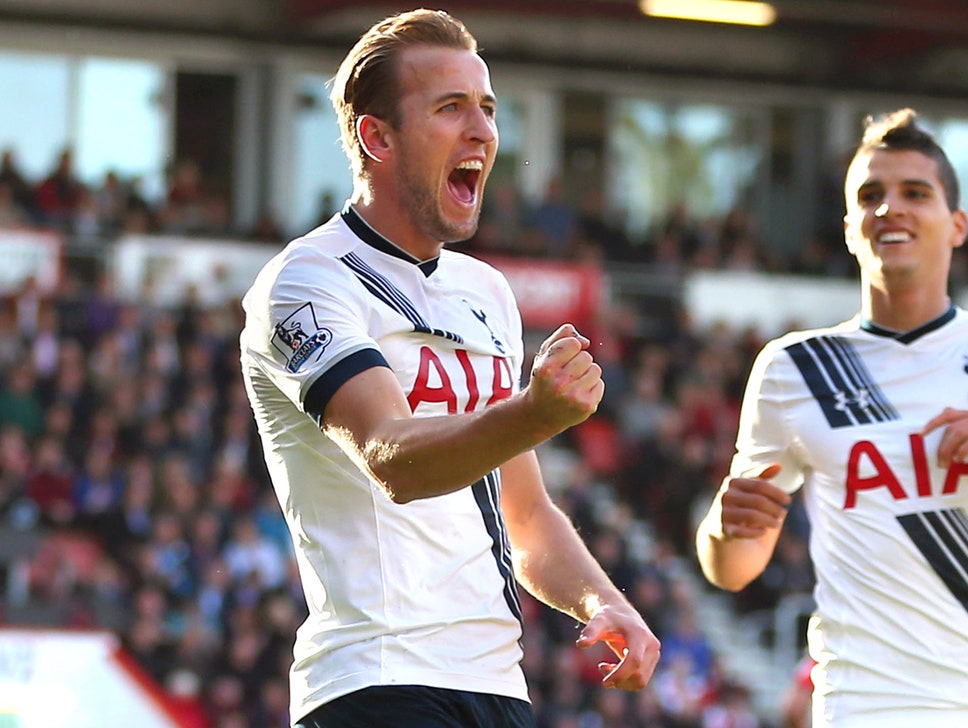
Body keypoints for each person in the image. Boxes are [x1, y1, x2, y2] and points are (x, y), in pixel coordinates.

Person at [239, 10, 659, 727]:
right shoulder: (308, 282)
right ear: (377, 137)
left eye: (488, 109)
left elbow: (524, 513)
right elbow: (392, 457)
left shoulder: (486, 291)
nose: (483, 132)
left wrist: (604, 600)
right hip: (376, 683)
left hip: (497, 687)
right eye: (450, 108)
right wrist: (531, 413)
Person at [695, 108, 968, 727]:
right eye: (870, 196)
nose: (890, 209)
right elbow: (733, 568)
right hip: (861, 708)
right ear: (850, 228)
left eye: (915, 193)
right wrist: (723, 527)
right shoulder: (794, 367)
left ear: (957, 224)